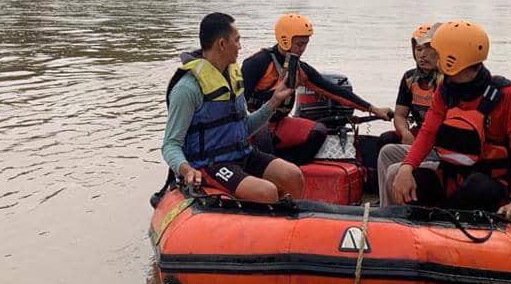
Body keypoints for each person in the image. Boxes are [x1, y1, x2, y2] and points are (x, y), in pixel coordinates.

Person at [388, 20, 511, 223]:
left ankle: (438, 219)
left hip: (489, 186)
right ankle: (415, 226)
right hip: (451, 180)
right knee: (402, 177)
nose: (429, 57)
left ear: (452, 58)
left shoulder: (508, 96)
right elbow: (428, 134)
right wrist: (407, 167)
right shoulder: (445, 91)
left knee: (477, 185)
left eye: (436, 52)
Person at [162, 12, 304, 203]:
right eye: (236, 40)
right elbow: (170, 144)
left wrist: (274, 102)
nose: (240, 46)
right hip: (210, 164)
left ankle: (290, 226)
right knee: (267, 192)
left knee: (293, 175)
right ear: (221, 44)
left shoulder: (233, 77)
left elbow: (244, 127)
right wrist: (186, 169)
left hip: (243, 154)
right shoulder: (187, 88)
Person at [242, 13, 393, 165]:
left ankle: (286, 167)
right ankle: (264, 167)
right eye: (299, 44)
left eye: (305, 44)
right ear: (284, 40)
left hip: (279, 123)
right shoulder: (257, 63)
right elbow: (238, 102)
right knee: (263, 136)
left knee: (318, 132)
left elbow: (335, 91)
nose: (302, 49)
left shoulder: (300, 70)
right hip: (254, 125)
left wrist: (374, 109)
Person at [377, 22, 444, 206]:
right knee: (385, 143)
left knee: (394, 165)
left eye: (428, 48)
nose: (422, 54)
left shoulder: (446, 81)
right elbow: (400, 114)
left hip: (438, 141)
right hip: (419, 135)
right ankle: (386, 205)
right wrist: (405, 133)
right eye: (418, 49)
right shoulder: (409, 78)